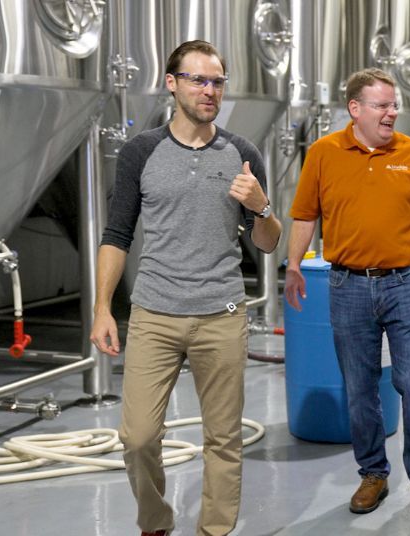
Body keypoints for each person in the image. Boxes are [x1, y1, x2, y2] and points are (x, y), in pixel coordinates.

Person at [90, 40, 282, 536]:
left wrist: (261, 206)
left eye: (217, 81)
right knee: (137, 437)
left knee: (223, 439)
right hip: (154, 313)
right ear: (172, 84)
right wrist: (102, 308)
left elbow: (267, 242)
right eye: (198, 79)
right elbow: (117, 234)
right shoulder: (141, 151)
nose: (209, 90)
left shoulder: (242, 153)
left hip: (221, 314)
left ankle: (213, 531)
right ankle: (155, 523)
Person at [284, 68, 410, 519]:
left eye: (394, 104)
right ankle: (373, 474)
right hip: (348, 285)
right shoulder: (323, 153)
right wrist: (292, 266)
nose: (392, 113)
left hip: (407, 283)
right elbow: (305, 215)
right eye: (382, 105)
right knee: (360, 387)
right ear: (355, 109)